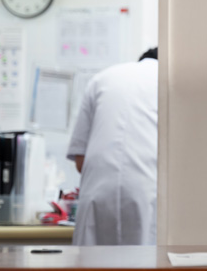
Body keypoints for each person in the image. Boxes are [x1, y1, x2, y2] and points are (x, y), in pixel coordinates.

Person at [66, 47, 159, 246]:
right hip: (149, 193)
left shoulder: (103, 78)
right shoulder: (172, 81)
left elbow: (80, 161)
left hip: (98, 194)